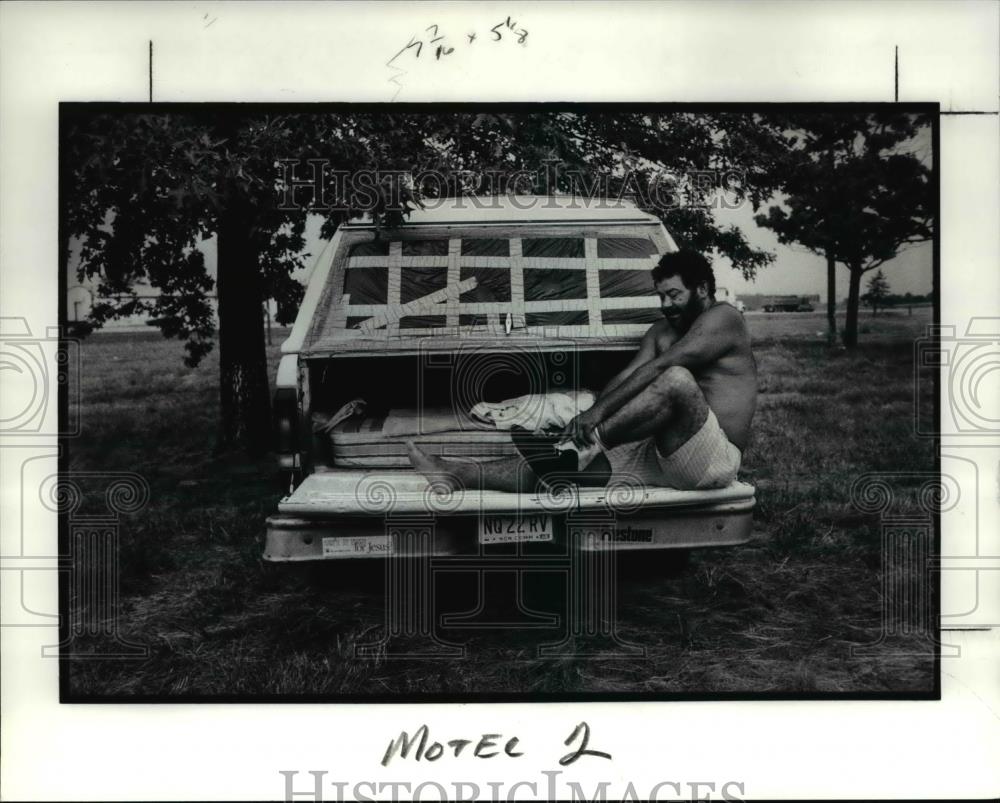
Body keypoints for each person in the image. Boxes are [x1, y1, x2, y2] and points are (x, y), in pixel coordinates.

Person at [407, 250, 757, 493]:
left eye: (674, 295)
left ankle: (577, 452)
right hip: (665, 452)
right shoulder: (660, 332)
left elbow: (664, 368)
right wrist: (579, 423)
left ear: (702, 289)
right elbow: (625, 379)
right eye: (660, 296)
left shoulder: (725, 319)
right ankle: (456, 473)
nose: (665, 305)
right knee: (556, 470)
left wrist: (596, 417)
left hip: (714, 461)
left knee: (677, 379)